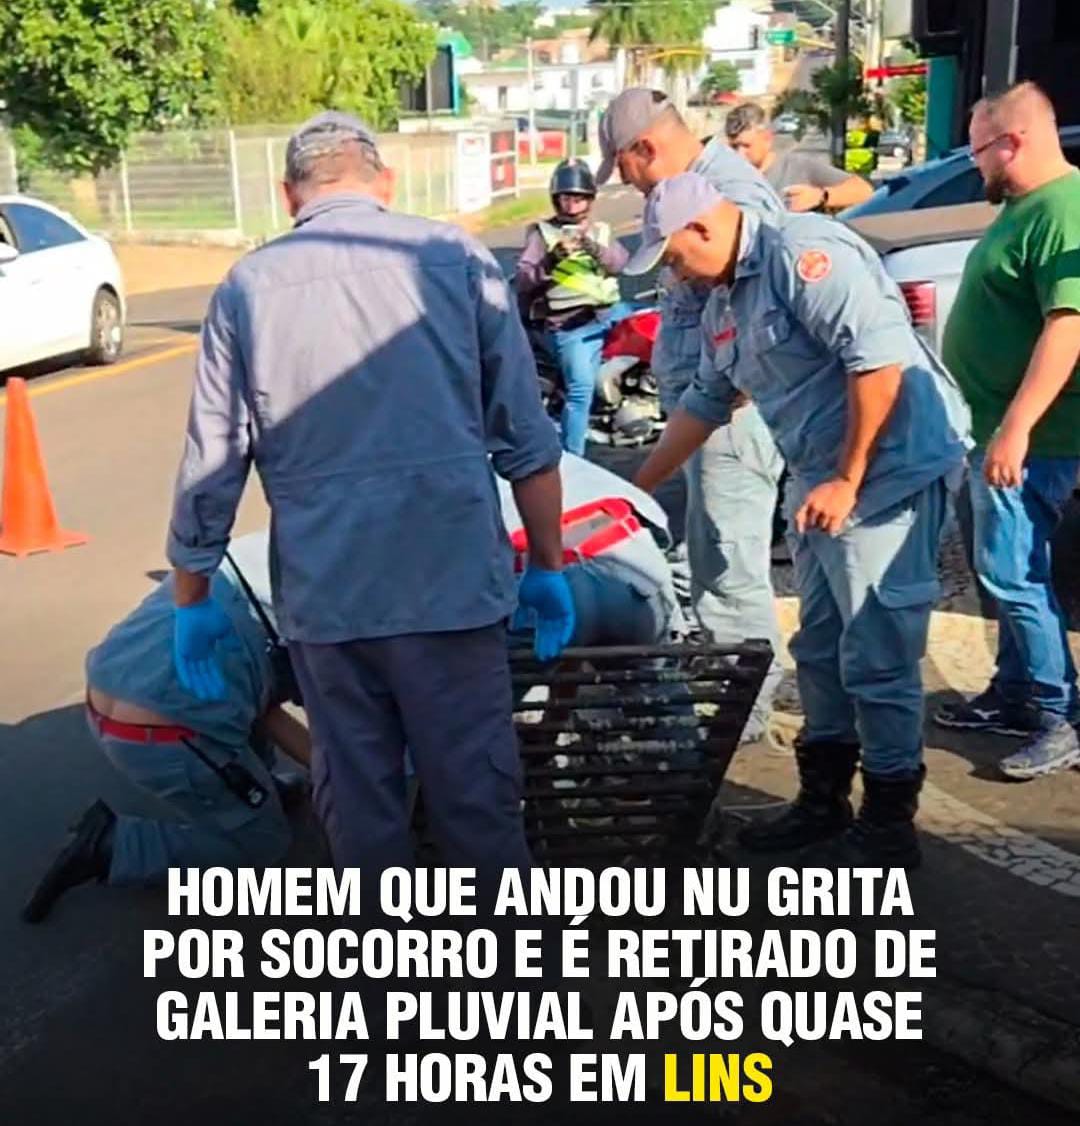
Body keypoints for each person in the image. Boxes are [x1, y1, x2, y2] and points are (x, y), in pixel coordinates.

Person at [165, 111, 572, 879]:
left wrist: (190, 596)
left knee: (357, 801)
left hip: (331, 602)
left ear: (291, 196)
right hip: (452, 588)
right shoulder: (454, 258)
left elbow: (212, 461)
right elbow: (525, 433)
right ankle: (509, 975)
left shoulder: (247, 286)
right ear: (383, 183)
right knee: (477, 794)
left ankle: (383, 977)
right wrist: (548, 565)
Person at [627, 173, 971, 868]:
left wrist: (848, 478)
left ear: (702, 228)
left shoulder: (801, 254)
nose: (673, 272)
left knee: (876, 652)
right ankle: (823, 801)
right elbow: (706, 399)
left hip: (884, 475)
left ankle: (888, 823)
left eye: (671, 256)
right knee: (819, 648)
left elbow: (878, 362)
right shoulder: (725, 295)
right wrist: (633, 492)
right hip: (820, 480)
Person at [595, 87, 786, 745]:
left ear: (646, 147)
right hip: (696, 415)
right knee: (684, 549)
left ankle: (747, 708)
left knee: (729, 563)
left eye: (625, 168)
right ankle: (704, 678)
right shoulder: (691, 190)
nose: (628, 183)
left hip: (729, 417)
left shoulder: (728, 193)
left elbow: (753, 315)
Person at [22, 532, 310, 923]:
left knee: (243, 695)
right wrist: (353, 783)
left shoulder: (274, 544)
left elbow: (264, 703)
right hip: (169, 735)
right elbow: (340, 727)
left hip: (117, 685)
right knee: (262, 847)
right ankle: (112, 845)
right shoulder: (340, 605)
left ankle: (257, 789)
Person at [936, 82, 1080, 779]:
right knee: (1011, 570)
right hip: (1000, 426)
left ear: (1012, 141)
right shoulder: (1027, 207)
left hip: (1038, 437)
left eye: (978, 150)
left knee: (1013, 573)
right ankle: (1016, 692)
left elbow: (1069, 325)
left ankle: (1060, 714)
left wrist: (1017, 427)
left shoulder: (1063, 209)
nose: (974, 164)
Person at [498, 452, 685, 648]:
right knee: (658, 671)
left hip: (543, 585)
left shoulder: (471, 469)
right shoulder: (555, 454)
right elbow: (658, 529)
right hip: (631, 560)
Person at [515, 160, 631, 455]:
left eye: (578, 197)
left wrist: (594, 248)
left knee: (657, 332)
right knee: (580, 390)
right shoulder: (542, 234)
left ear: (590, 199)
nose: (572, 204)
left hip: (610, 312)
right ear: (556, 199)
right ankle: (574, 459)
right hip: (571, 325)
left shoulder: (601, 231)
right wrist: (552, 259)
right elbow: (524, 278)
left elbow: (621, 264)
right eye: (567, 197)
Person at [725, 102, 874, 213]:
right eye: (734, 147)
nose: (739, 154)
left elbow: (863, 191)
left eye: (746, 146)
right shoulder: (728, 179)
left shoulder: (798, 167)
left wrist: (820, 196)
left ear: (767, 139)